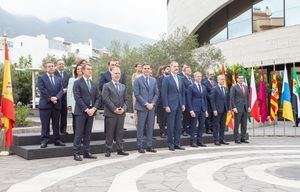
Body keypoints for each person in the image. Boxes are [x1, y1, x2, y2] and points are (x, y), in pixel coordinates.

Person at [73, 63, 99, 161]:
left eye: (91, 69)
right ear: (83, 71)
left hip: (91, 112)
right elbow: (77, 98)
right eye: (88, 69)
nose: (90, 71)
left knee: (88, 133)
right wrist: (86, 109)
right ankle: (76, 153)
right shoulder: (77, 83)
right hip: (81, 112)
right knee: (79, 133)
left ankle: (87, 152)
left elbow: (97, 98)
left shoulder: (93, 84)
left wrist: (94, 109)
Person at [102, 67, 129, 157]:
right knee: (109, 132)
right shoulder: (106, 85)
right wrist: (114, 109)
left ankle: (120, 149)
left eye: (118, 74)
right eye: (115, 73)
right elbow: (105, 99)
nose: (117, 75)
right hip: (110, 113)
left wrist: (123, 109)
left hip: (121, 114)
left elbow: (126, 100)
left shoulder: (123, 86)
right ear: (111, 75)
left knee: (119, 132)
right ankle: (108, 150)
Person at [38, 62, 65, 148]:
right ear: (46, 68)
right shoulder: (41, 78)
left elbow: (61, 90)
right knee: (45, 124)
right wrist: (50, 98)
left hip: (56, 105)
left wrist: (56, 98)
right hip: (45, 105)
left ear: (55, 68)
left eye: (52, 66)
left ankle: (57, 140)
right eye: (49, 66)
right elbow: (42, 89)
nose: (51, 68)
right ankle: (44, 141)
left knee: (56, 124)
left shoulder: (58, 78)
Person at [134, 64, 159, 153]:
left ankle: (149, 145)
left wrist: (152, 103)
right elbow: (137, 94)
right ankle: (139, 146)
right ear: (142, 70)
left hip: (151, 107)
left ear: (150, 69)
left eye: (148, 68)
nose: (146, 70)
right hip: (142, 107)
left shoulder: (153, 80)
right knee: (141, 127)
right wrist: (146, 103)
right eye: (145, 68)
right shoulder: (137, 80)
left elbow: (156, 94)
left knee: (150, 127)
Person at [162, 61, 186, 151]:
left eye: (177, 66)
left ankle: (177, 143)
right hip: (170, 106)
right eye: (174, 66)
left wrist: (183, 103)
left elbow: (182, 92)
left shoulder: (181, 78)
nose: (176, 68)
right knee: (171, 126)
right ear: (171, 67)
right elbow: (164, 93)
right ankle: (170, 144)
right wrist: (166, 105)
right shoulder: (167, 79)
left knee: (178, 126)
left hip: (179, 105)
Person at [187, 72, 208, 147]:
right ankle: (192, 142)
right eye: (198, 76)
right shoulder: (191, 87)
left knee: (201, 125)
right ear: (194, 77)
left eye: (200, 76)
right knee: (193, 125)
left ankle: (200, 141)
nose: (199, 78)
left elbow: (205, 99)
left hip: (202, 109)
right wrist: (191, 110)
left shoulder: (203, 87)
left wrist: (205, 110)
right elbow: (188, 99)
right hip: (194, 109)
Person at [67, 59, 86, 134]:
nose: (79, 70)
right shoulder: (72, 80)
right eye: (77, 69)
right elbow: (69, 93)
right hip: (74, 104)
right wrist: (69, 104)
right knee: (75, 121)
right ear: (76, 71)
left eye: (81, 69)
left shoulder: (87, 80)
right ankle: (76, 136)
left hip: (84, 104)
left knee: (84, 121)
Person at [230, 74, 250, 144]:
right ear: (237, 79)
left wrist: (249, 106)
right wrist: (233, 107)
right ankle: (236, 139)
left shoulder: (245, 87)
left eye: (242, 78)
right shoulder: (234, 87)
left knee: (244, 124)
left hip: (245, 108)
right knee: (237, 124)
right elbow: (232, 99)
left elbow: (247, 98)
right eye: (240, 78)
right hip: (237, 109)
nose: (241, 79)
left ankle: (243, 138)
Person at [210, 75, 230, 146]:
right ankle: (216, 140)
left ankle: (222, 139)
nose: (223, 80)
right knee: (216, 126)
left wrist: (228, 109)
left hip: (224, 110)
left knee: (222, 125)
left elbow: (227, 100)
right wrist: (214, 109)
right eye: (221, 79)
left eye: (223, 79)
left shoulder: (226, 89)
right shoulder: (214, 89)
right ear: (218, 80)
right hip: (217, 110)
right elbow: (212, 100)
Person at [54, 59, 70, 135]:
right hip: (56, 98)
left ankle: (63, 130)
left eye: (63, 64)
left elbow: (69, 85)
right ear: (57, 65)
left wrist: (67, 89)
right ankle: (56, 131)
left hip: (64, 98)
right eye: (60, 64)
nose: (61, 65)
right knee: (56, 115)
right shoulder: (53, 74)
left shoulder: (67, 74)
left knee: (64, 114)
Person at [156, 65, 169, 138]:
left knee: (167, 118)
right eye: (167, 69)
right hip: (161, 101)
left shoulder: (171, 78)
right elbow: (158, 90)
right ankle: (162, 132)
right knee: (161, 118)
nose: (168, 70)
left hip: (169, 101)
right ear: (163, 70)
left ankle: (167, 132)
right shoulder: (160, 78)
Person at [202, 69, 217, 134]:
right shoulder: (204, 83)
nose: (212, 75)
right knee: (208, 116)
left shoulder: (215, 82)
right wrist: (212, 97)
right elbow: (205, 93)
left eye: (213, 74)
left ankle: (213, 128)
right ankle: (208, 129)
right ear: (207, 75)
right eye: (211, 74)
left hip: (215, 103)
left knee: (214, 116)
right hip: (208, 102)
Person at [181, 65, 193, 136]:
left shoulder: (192, 79)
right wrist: (191, 91)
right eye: (188, 70)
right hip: (186, 99)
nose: (189, 71)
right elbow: (183, 89)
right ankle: (184, 130)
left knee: (191, 116)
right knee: (185, 116)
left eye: (190, 70)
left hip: (193, 100)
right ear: (184, 72)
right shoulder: (182, 79)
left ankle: (190, 129)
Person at [131, 63, 143, 128]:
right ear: (136, 68)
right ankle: (136, 124)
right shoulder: (134, 75)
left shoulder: (143, 75)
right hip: (136, 95)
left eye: (141, 66)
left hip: (143, 95)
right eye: (138, 66)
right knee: (136, 110)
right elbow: (133, 85)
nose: (140, 67)